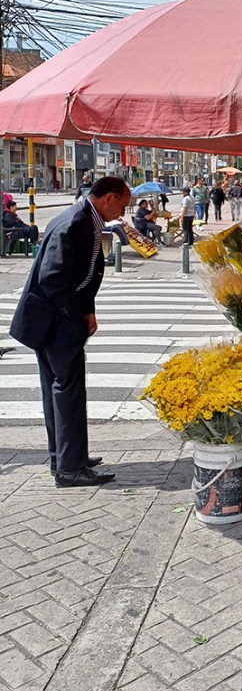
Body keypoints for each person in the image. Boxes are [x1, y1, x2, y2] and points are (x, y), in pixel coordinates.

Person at [9, 176, 132, 488]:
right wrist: (75, 315)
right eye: (122, 205)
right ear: (109, 197)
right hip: (55, 321)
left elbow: (84, 272)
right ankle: (70, 468)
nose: (122, 213)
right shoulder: (76, 221)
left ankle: (64, 457)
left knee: (58, 388)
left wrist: (88, 309)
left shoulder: (82, 217)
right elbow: (53, 276)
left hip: (52, 318)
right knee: (67, 390)